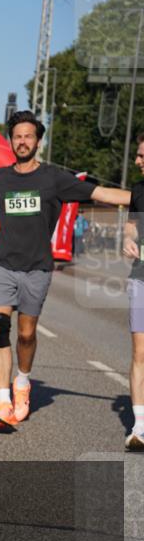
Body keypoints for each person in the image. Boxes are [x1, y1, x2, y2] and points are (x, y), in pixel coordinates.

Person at [0, 110, 130, 430]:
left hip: (37, 267)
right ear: (10, 141)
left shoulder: (54, 179)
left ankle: (22, 382)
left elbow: (102, 194)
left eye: (28, 136)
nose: (22, 141)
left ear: (38, 141)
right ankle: (3, 401)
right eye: (17, 136)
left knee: (26, 334)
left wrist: (139, 196)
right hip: (1, 264)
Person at [122, 133, 144, 451]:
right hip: (141, 277)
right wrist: (127, 239)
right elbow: (130, 227)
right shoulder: (138, 191)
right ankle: (140, 426)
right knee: (140, 352)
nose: (137, 160)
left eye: (141, 155)